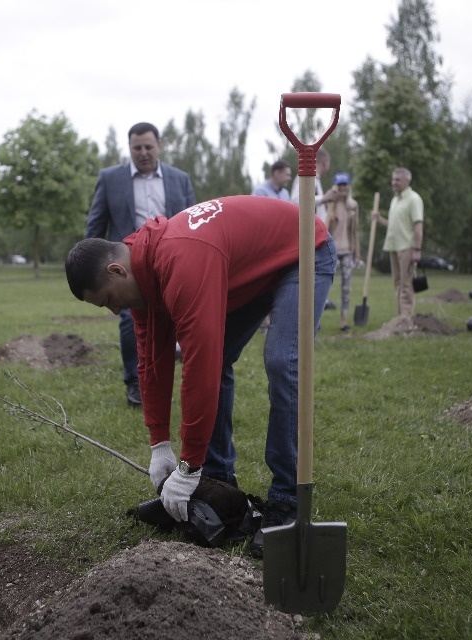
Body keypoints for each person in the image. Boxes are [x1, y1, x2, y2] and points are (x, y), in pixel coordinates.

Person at [65, 196, 336, 557]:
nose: (115, 310)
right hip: (252, 265)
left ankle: (286, 501)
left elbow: (200, 365)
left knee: (282, 362)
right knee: (219, 357)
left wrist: (189, 464)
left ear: (116, 271)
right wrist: (159, 445)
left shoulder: (181, 261)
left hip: (302, 249)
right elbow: (152, 362)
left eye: (108, 300)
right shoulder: (143, 276)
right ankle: (218, 482)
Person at [85, 122, 195, 407]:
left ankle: (182, 381)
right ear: (129, 148)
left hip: (171, 263)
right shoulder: (110, 178)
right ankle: (135, 384)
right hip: (126, 267)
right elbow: (96, 224)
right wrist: (90, 262)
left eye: (148, 146)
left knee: (179, 318)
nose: (143, 152)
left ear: (159, 146)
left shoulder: (180, 179)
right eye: (137, 148)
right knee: (128, 322)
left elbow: (193, 221)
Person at [373, 167, 424, 318]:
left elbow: (418, 226)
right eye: (393, 179)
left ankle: (406, 318)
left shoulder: (414, 199)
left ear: (407, 181)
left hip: (407, 247)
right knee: (397, 284)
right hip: (394, 246)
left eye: (397, 180)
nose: (394, 182)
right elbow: (395, 224)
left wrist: (417, 249)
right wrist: (379, 219)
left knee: (406, 285)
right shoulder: (395, 200)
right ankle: (400, 318)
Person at [292, 148, 338, 310]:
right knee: (311, 270)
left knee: (316, 270)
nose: (327, 168)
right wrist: (324, 198)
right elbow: (297, 200)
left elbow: (315, 204)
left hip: (316, 232)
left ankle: (316, 301)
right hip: (306, 233)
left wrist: (327, 214)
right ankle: (306, 304)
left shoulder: (316, 180)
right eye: (327, 164)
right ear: (323, 162)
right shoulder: (305, 177)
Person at [325, 172, 361, 331]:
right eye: (339, 185)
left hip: (347, 251)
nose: (342, 188)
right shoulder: (330, 203)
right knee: (324, 285)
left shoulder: (353, 206)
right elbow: (324, 226)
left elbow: (355, 231)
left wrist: (357, 254)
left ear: (349, 186)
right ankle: (316, 321)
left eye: (344, 184)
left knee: (346, 287)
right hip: (331, 250)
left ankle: (344, 321)